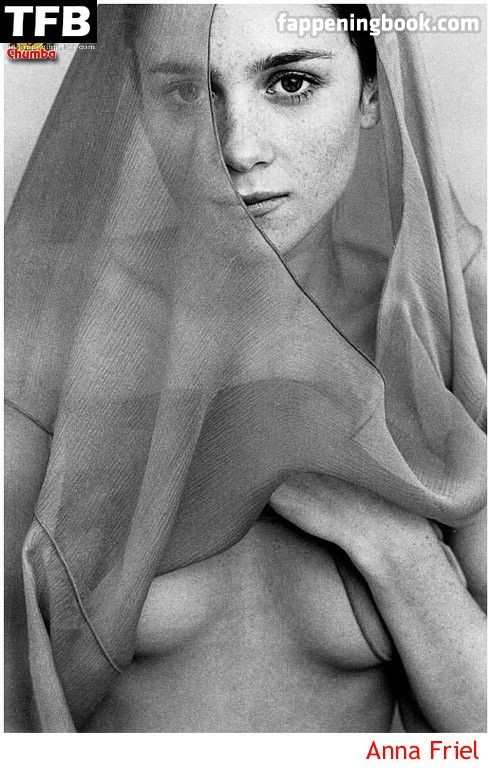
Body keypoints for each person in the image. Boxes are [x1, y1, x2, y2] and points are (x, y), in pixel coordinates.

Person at [5, 4, 486, 733]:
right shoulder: (40, 328)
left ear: (372, 92)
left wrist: (398, 551)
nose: (236, 149)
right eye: (186, 92)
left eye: (290, 83)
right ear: (135, 100)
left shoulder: (452, 318)